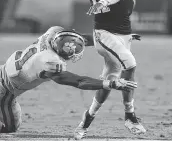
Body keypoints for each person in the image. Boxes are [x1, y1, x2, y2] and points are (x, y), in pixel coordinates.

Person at [61, 0, 146, 139]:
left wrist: (102, 2)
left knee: (108, 81)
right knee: (130, 64)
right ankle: (130, 115)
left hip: (123, 33)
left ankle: (85, 121)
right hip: (103, 33)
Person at [0, 26, 137, 133]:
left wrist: (116, 42)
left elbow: (78, 39)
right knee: (10, 127)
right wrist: (110, 83)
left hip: (3, 71)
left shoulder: (53, 34)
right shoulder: (49, 62)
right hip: (4, 92)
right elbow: (79, 81)